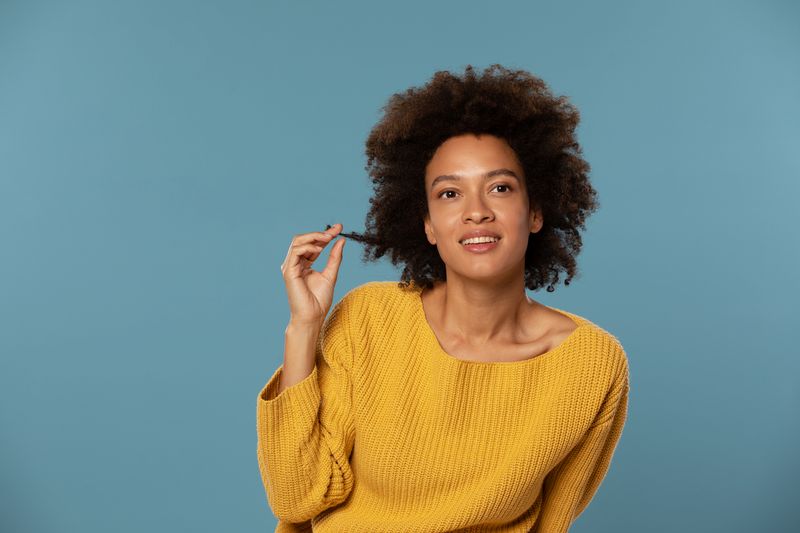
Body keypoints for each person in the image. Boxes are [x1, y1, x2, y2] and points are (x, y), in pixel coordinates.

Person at [256, 64, 630, 532]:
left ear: (535, 211)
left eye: (500, 187)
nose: (476, 212)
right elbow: (296, 499)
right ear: (429, 226)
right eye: (450, 193)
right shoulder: (370, 318)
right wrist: (304, 327)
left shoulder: (592, 364)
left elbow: (551, 524)